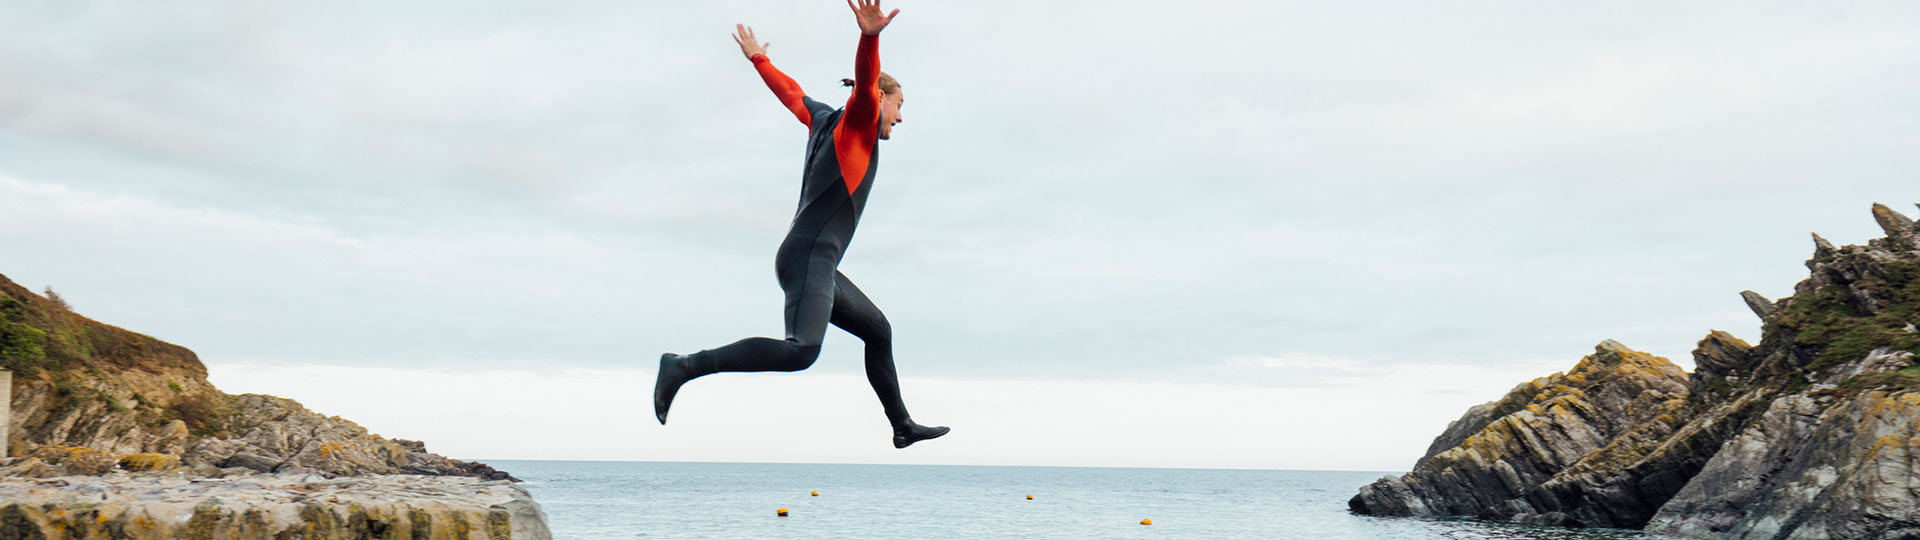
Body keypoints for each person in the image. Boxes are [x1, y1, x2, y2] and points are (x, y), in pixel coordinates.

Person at [653, 0, 949, 449]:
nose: (901, 117)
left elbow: (790, 92)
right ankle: (683, 366)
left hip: (816, 259)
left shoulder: (823, 120)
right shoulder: (860, 122)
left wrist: (759, 58)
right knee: (801, 352)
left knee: (879, 332)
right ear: (882, 99)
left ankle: (902, 426)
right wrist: (869, 37)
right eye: (900, 105)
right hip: (809, 255)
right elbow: (867, 84)